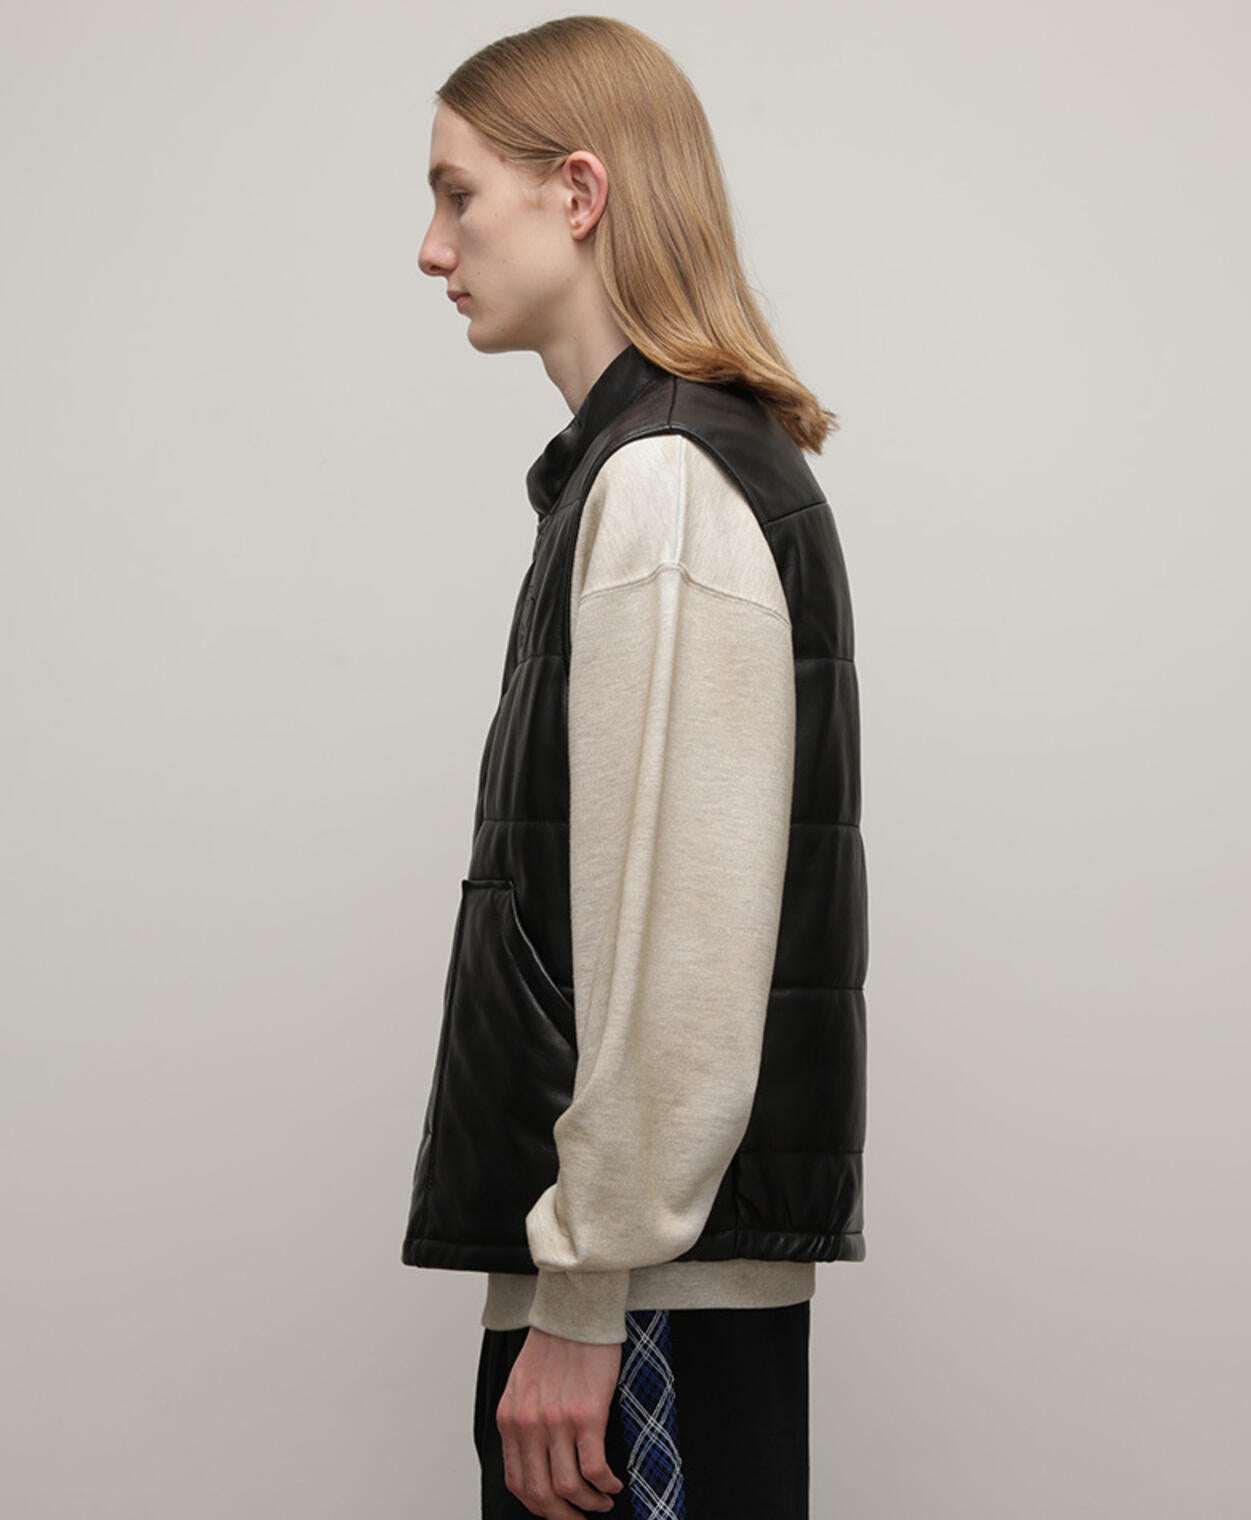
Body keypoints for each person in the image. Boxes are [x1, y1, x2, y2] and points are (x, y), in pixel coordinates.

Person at [402, 17, 868, 1519]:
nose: (432, 248)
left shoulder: (665, 483)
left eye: (459, 194)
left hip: (641, 1303)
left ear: (581, 192)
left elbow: (683, 943)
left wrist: (587, 1292)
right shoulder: (648, 471)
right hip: (637, 1287)